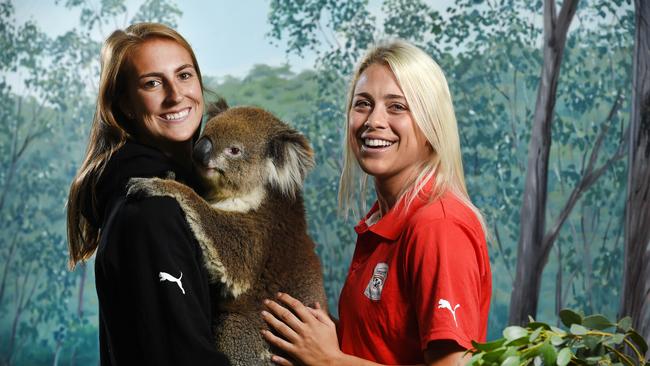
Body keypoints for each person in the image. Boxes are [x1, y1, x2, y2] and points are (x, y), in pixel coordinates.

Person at [260, 40, 492, 366]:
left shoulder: (438, 226)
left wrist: (328, 361)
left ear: (431, 124)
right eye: (363, 104)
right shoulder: (383, 220)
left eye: (397, 106)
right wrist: (313, 339)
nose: (373, 120)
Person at [66, 23, 229, 365]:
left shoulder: (184, 194)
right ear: (124, 103)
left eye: (184, 75)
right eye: (152, 83)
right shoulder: (152, 210)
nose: (175, 94)